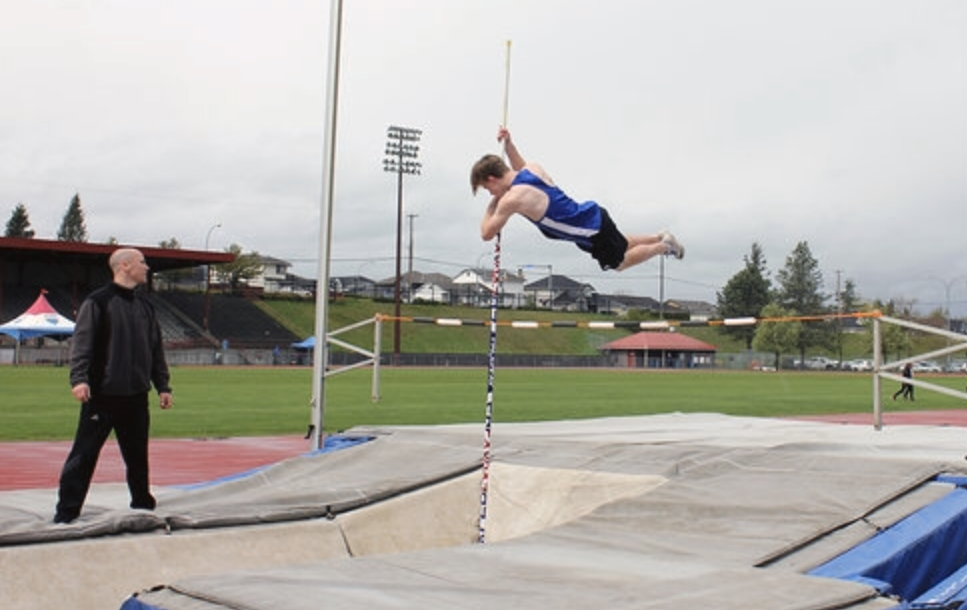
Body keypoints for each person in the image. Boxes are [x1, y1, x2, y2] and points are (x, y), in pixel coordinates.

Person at [54, 248, 173, 524]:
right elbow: (82, 345)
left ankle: (142, 503)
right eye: (142, 262)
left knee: (137, 455)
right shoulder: (98, 302)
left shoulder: (146, 307)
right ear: (125, 266)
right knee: (84, 455)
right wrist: (79, 379)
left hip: (136, 395)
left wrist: (163, 386)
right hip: (102, 395)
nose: (147, 267)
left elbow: (155, 350)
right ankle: (66, 512)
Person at [471, 127, 684, 271]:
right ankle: (658, 237)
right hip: (589, 221)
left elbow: (486, 233)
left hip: (590, 229)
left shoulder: (512, 199)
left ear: (491, 179)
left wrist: (492, 205)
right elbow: (518, 164)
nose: (490, 194)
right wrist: (509, 144)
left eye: (487, 188)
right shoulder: (532, 169)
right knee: (622, 243)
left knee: (619, 263)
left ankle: (664, 247)